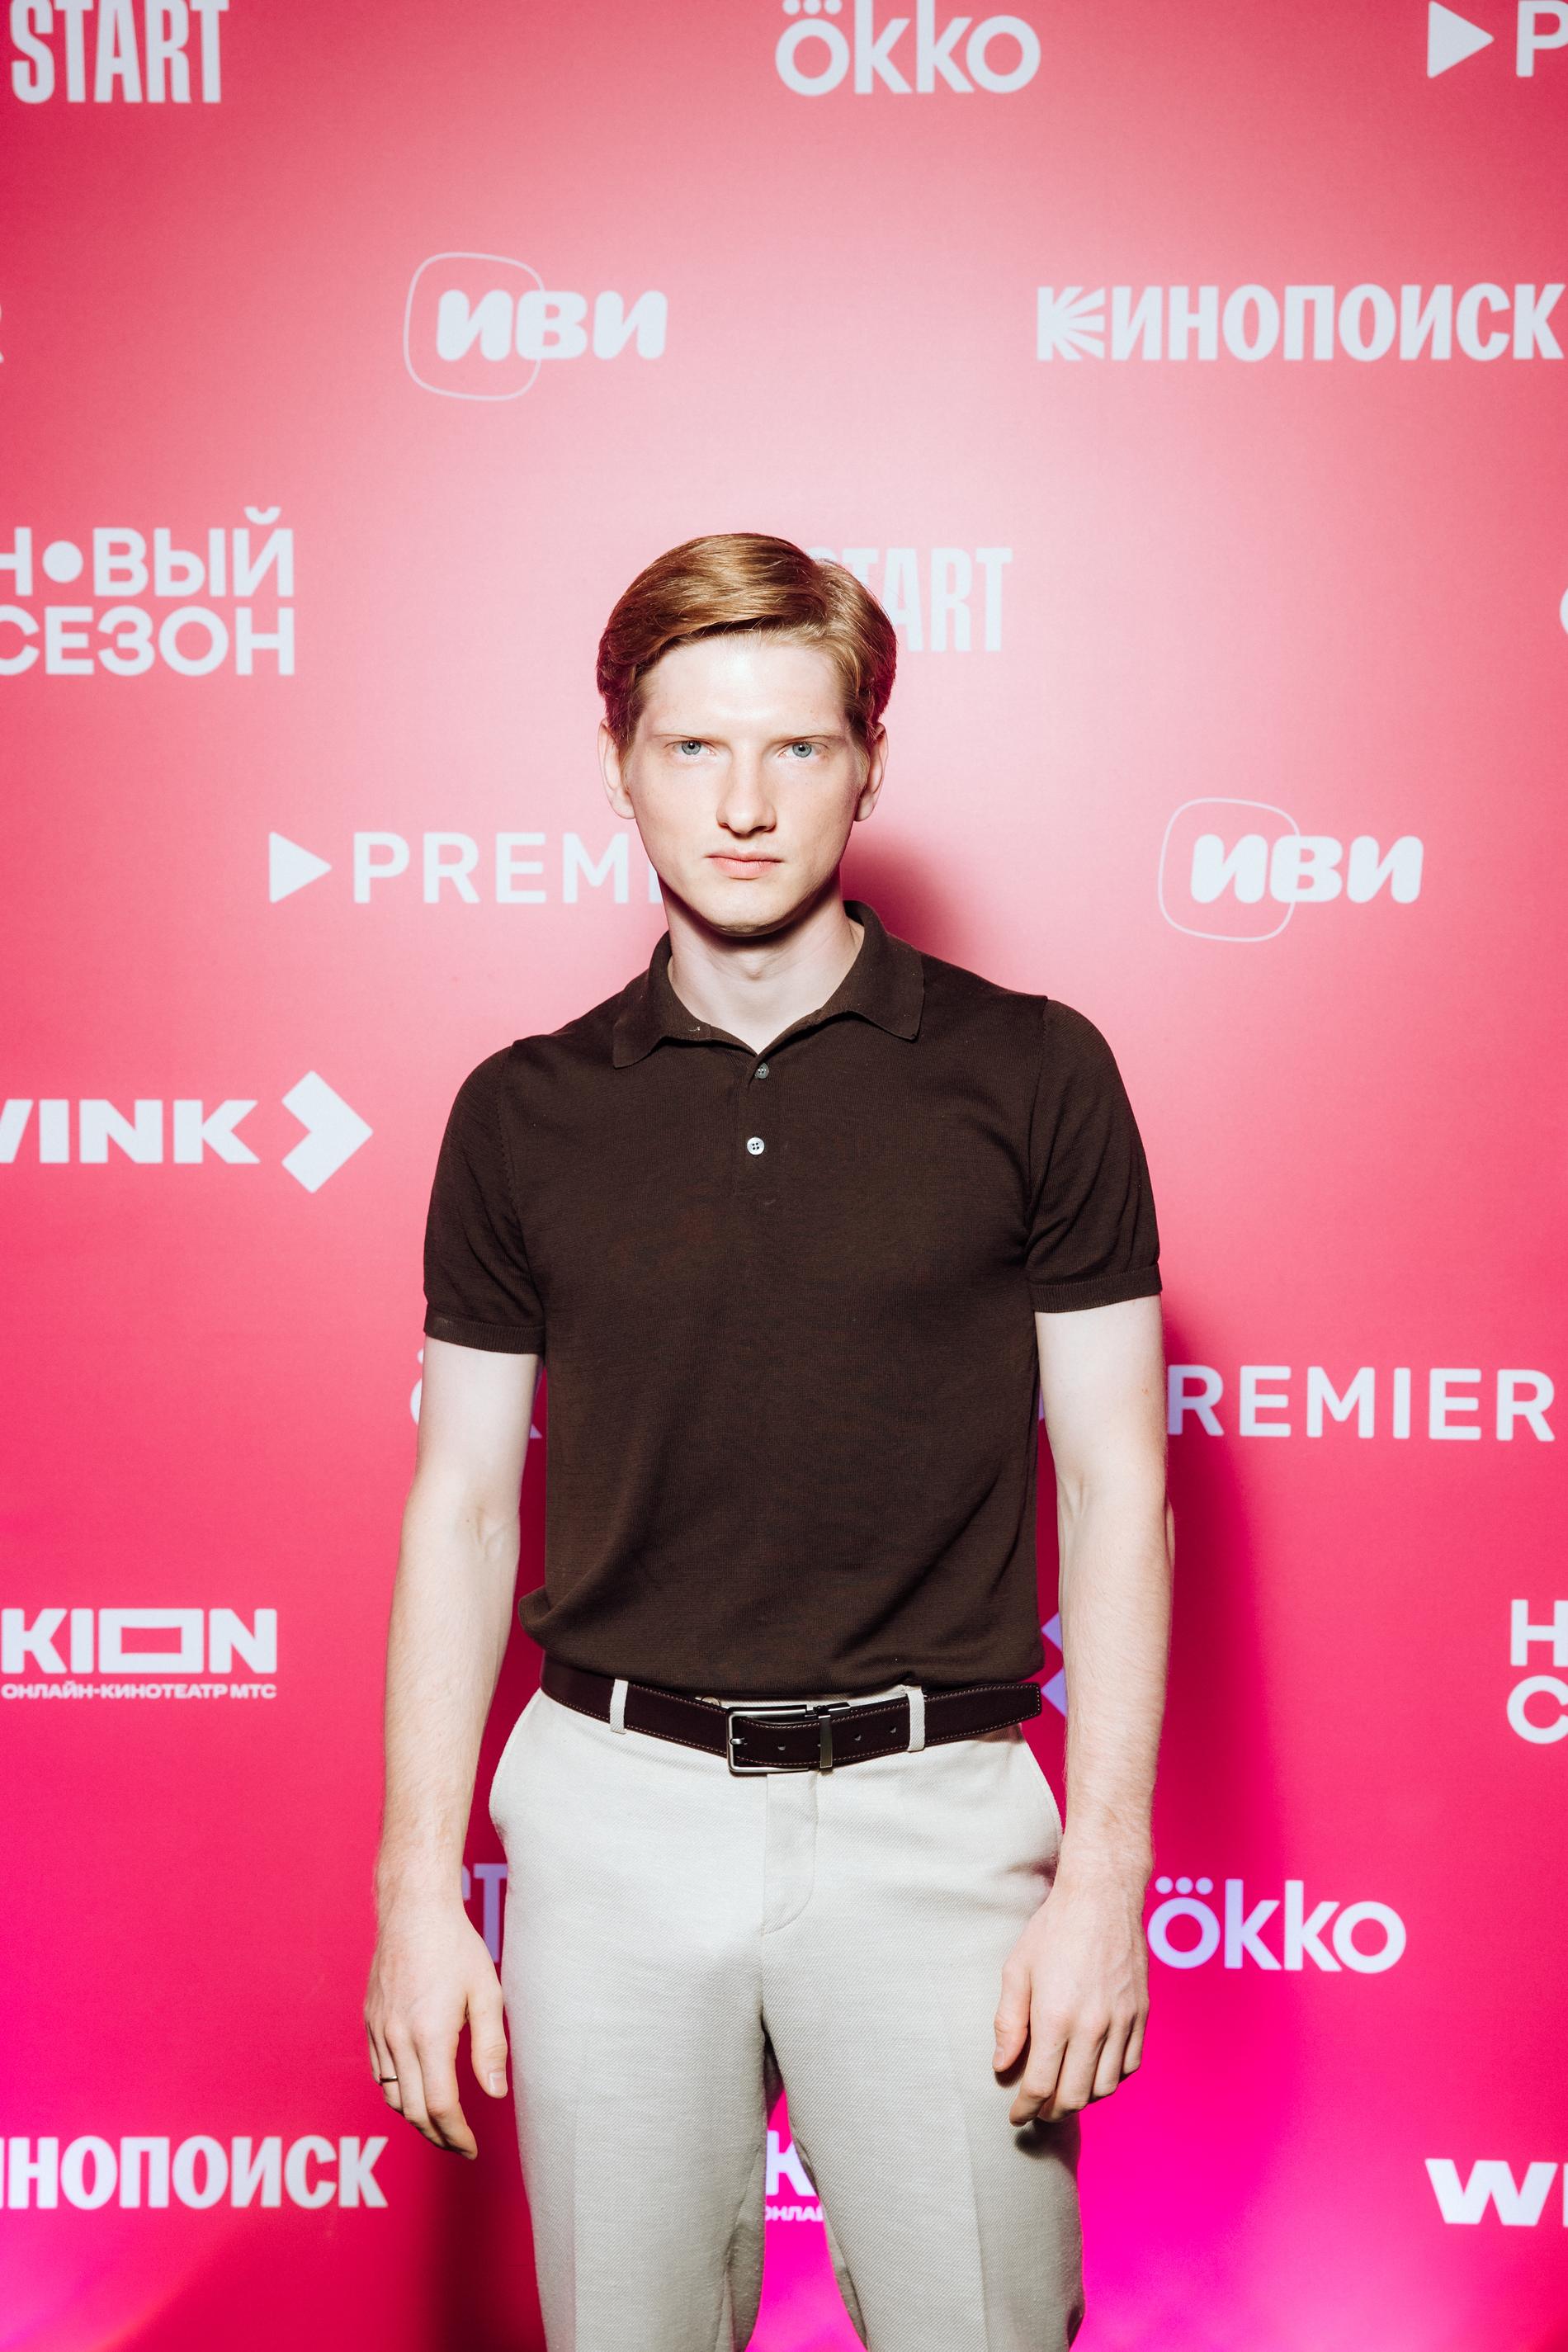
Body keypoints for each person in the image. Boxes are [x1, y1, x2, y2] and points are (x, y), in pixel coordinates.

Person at [364, 532, 1173, 2352]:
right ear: (617, 763)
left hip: (936, 1813)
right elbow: (462, 1504)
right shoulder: (521, 1112)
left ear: (868, 763)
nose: (743, 804)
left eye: (797, 747)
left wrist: (1103, 1879)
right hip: (611, 1819)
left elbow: (1120, 1485)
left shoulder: (1037, 1074)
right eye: (693, 748)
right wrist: (417, 1887)